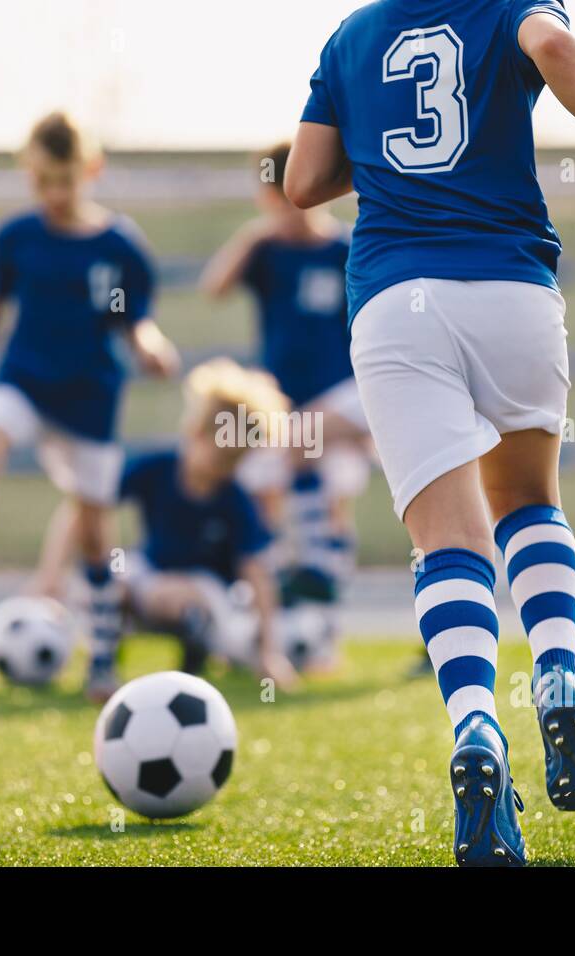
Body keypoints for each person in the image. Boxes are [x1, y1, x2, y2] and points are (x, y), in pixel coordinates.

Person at [285, 0, 575, 865]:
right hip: (509, 284)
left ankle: (477, 726)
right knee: (527, 502)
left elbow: (301, 184)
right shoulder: (503, 4)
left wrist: (380, 153)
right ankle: (556, 668)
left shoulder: (352, 35)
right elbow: (553, 44)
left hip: (393, 302)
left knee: (448, 544)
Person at [0, 111, 179, 703]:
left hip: (88, 397)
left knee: (96, 532)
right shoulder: (17, 239)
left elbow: (135, 324)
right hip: (23, 379)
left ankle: (103, 656)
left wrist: (152, 348)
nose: (53, 194)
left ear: (91, 171)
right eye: (42, 181)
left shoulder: (119, 248)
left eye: (65, 181)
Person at [200, 142, 372, 665]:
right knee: (265, 494)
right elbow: (215, 288)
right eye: (276, 197)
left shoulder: (343, 248)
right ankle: (293, 617)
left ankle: (319, 592)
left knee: (310, 460)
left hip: (343, 398)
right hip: (283, 407)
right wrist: (255, 234)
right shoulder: (268, 251)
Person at [116, 358, 299, 689]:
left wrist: (270, 650)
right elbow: (91, 507)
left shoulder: (235, 499)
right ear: (197, 431)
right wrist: (54, 574)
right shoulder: (155, 469)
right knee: (111, 583)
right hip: (150, 568)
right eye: (225, 455)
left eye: (239, 458)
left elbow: (255, 571)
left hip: (207, 590)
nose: (229, 467)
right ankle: (105, 661)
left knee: (179, 598)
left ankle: (196, 658)